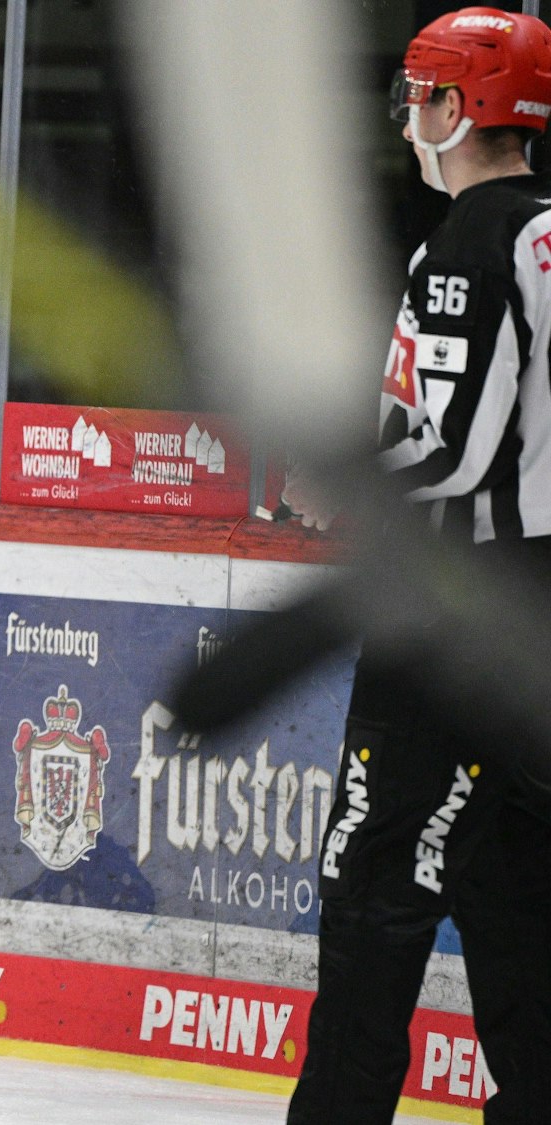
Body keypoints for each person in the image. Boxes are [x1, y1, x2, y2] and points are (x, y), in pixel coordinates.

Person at [270, 10, 551, 1123]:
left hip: (453, 616)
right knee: (508, 886)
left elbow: (450, 443)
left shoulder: (473, 243)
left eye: (418, 93)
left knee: (372, 881)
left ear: (455, 106)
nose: (406, 116)